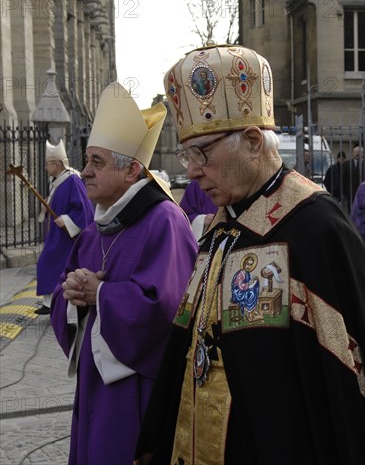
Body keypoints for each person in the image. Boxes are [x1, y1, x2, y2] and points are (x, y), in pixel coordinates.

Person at [135, 44, 365, 465]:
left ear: (254, 140)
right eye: (187, 154)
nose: (192, 169)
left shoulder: (317, 228)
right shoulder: (221, 230)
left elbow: (345, 380)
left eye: (202, 152)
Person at [50, 82, 198, 465]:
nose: (84, 172)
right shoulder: (96, 229)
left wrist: (99, 294)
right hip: (95, 383)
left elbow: (167, 310)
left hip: (136, 390)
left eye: (96, 162)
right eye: (86, 160)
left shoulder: (164, 221)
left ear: (132, 169)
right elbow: (64, 296)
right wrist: (70, 295)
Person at [35, 140, 94, 315]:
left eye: (48, 164)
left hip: (66, 236)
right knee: (48, 263)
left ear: (58, 164)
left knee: (50, 263)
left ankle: (53, 302)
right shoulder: (58, 181)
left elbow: (83, 208)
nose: (46, 168)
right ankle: (50, 302)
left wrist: (67, 220)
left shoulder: (72, 180)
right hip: (57, 235)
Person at [342, 143, 364, 212]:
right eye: (356, 152)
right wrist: (343, 193)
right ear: (353, 153)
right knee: (351, 210)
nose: (357, 154)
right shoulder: (347, 164)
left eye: (359, 152)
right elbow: (343, 179)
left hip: (363, 192)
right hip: (350, 193)